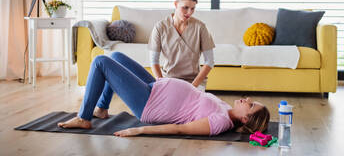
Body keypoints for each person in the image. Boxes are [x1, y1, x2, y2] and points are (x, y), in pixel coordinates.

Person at [58, 52, 270, 137]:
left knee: (101, 62)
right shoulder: (226, 108)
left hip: (149, 104)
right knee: (115, 56)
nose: (248, 100)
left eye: (251, 106)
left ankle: (84, 118)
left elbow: (180, 129)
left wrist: (140, 131)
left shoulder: (220, 122)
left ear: (245, 119)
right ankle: (102, 109)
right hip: (155, 87)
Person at [148, 0, 215, 91]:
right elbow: (154, 61)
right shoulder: (160, 27)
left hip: (194, 81)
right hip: (168, 79)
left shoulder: (200, 27)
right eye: (185, 7)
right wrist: (162, 84)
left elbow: (209, 61)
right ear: (175, 4)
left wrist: (193, 87)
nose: (189, 12)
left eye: (192, 8)